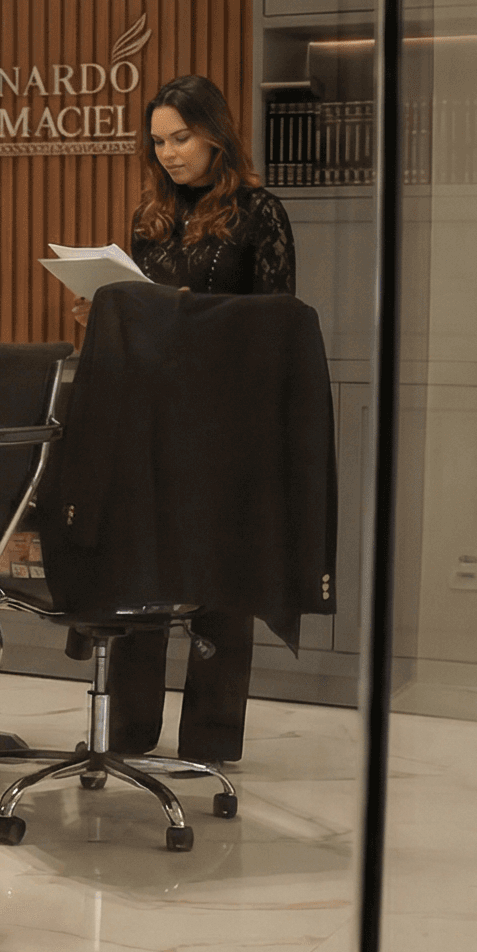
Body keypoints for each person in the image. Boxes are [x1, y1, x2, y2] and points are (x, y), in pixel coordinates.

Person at [76, 72, 296, 765]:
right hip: (151, 417)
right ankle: (128, 732)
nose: (169, 154)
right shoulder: (151, 217)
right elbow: (142, 315)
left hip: (226, 423)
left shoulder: (259, 212)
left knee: (220, 582)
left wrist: (178, 317)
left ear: (215, 136)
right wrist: (107, 313)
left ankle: (210, 740)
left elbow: (277, 327)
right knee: (140, 570)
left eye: (181, 138)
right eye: (159, 142)